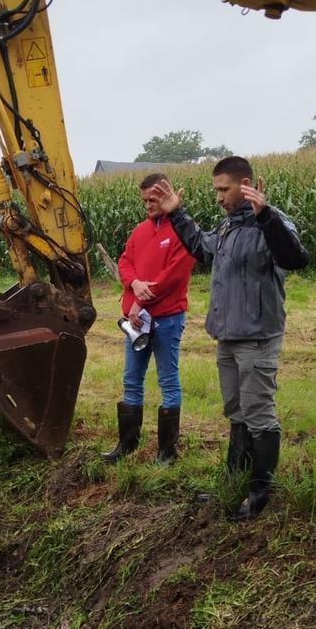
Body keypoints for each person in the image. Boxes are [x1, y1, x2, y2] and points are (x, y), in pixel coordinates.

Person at [152, 156, 309, 519]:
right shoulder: (226, 229)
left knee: (259, 413)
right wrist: (177, 214)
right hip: (228, 337)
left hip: (257, 338)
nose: (219, 197)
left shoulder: (272, 223)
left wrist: (266, 215)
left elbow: (296, 258)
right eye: (216, 190)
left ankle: (259, 491)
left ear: (246, 184)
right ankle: (235, 476)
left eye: (224, 189)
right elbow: (201, 249)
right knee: (237, 412)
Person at [103, 172, 196, 466]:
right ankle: (127, 445)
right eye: (145, 201)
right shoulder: (140, 231)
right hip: (137, 322)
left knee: (168, 381)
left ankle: (167, 453)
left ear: (167, 195)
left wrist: (141, 297)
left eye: (153, 200)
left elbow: (173, 276)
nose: (148, 206)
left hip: (167, 319)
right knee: (131, 380)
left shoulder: (183, 232)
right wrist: (132, 284)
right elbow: (124, 261)